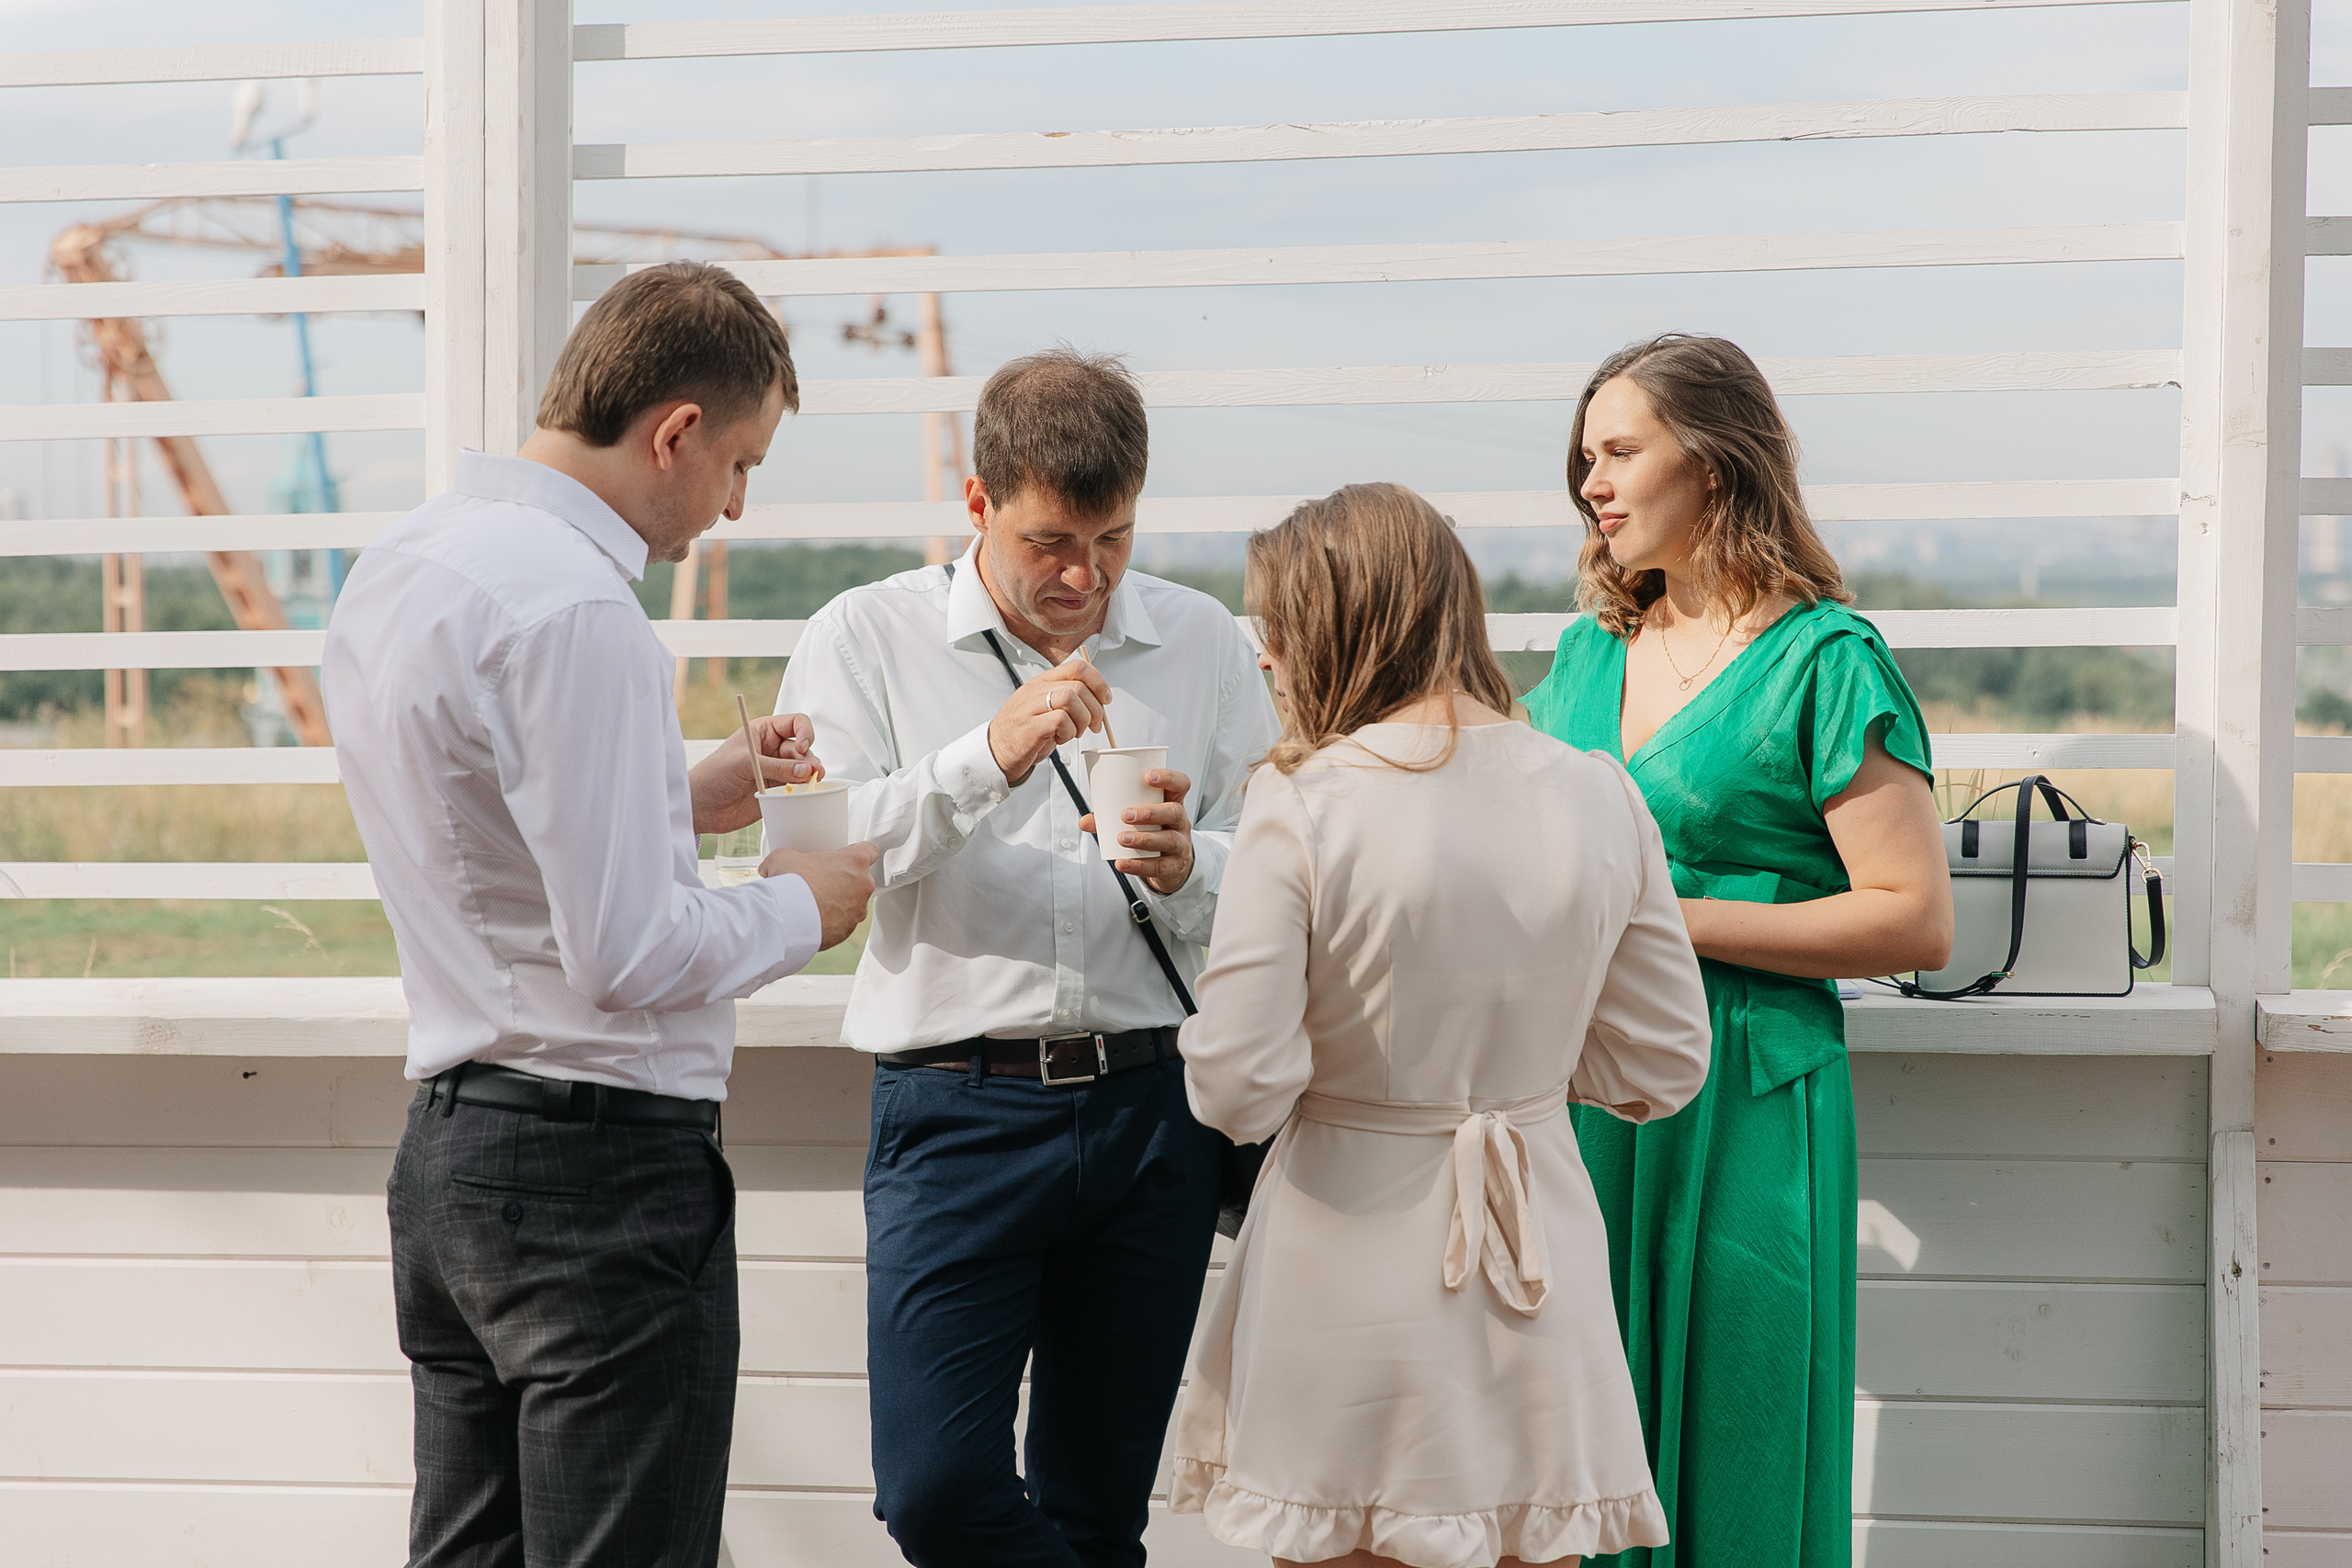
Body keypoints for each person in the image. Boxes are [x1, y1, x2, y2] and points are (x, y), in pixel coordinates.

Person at [321, 260, 878, 1568]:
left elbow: (478, 830)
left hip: (453, 1160)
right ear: (675, 430)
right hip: (599, 1182)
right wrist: (800, 905)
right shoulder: (581, 607)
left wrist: (681, 793)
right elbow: (628, 954)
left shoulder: (405, 562)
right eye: (739, 464)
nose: (733, 506)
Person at [775, 346, 1281, 1567]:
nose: (1084, 576)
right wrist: (983, 759)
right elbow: (814, 856)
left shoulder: (1203, 642)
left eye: (1113, 540)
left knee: (1097, 1511)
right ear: (978, 501)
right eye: (1050, 541)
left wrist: (1194, 866)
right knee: (935, 1491)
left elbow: (1289, 859)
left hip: (1155, 1111)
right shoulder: (865, 635)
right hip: (954, 1110)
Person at [1168, 481, 1716, 1568]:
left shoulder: (1306, 800)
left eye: (1275, 626)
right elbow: (1661, 1059)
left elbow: (1235, 1089)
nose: (1265, 656)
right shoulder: (1597, 792)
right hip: (1538, 1243)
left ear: (1335, 625)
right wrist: (1518, 1069)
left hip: (1347, 1252)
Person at [1521, 334, 1954, 1568]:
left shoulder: (1828, 660)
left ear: (1713, 461)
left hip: (1750, 1101)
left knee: (1738, 1432)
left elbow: (1914, 918)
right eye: (1584, 458)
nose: (1591, 484)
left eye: (1619, 452)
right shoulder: (1587, 653)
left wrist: (1662, 915)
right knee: (1575, 1448)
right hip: (1581, 1094)